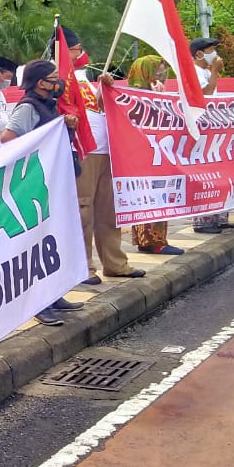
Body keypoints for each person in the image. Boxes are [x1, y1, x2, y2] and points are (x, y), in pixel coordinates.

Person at [0, 59, 87, 326]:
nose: (58, 82)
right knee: (36, 242)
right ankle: (39, 303)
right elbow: (8, 137)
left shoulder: (47, 105)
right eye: (53, 77)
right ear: (40, 83)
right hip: (35, 186)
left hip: (51, 183)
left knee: (53, 239)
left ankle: (54, 294)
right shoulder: (28, 106)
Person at [67, 28, 145, 286]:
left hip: (105, 149)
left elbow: (96, 109)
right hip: (82, 151)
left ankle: (115, 263)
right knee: (83, 211)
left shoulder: (84, 79)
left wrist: (105, 89)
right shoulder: (58, 79)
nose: (81, 54)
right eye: (77, 49)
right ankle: (83, 267)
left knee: (108, 212)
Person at [124, 55, 184, 255]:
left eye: (161, 71)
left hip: (157, 154)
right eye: (156, 71)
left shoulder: (151, 92)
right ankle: (151, 241)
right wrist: (155, 99)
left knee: (158, 196)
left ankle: (151, 239)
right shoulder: (130, 95)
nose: (160, 75)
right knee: (148, 197)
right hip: (142, 154)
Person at [188, 38, 233, 234]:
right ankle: (204, 220)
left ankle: (220, 216)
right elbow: (204, 93)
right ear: (199, 53)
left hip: (214, 128)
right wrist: (214, 72)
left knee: (220, 173)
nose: (214, 53)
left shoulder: (206, 71)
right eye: (211, 49)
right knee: (205, 174)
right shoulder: (193, 71)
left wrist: (213, 72)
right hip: (202, 129)